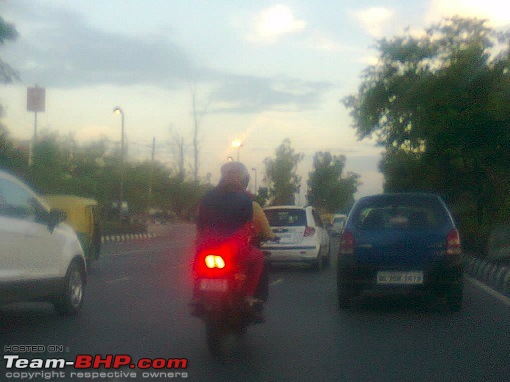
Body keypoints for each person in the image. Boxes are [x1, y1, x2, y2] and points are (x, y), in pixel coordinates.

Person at [195, 161, 275, 307]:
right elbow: (248, 227)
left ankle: (197, 294)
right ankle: (247, 296)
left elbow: (200, 224)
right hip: (234, 249)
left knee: (197, 263)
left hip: (207, 247)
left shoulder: (207, 197)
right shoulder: (248, 201)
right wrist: (268, 235)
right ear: (242, 181)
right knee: (258, 258)